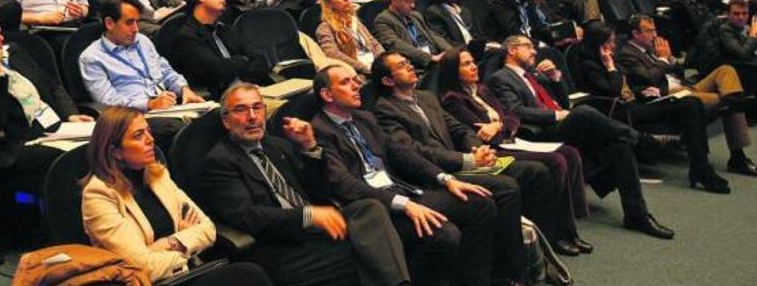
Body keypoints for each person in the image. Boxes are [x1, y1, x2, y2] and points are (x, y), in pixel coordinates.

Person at [310, 65, 520, 286]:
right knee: (443, 235)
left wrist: (446, 179)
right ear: (327, 94)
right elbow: (344, 184)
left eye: (355, 80)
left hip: (402, 189)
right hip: (374, 210)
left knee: (480, 204)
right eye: (346, 82)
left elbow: (401, 153)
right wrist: (404, 204)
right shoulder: (319, 131)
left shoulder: (364, 119)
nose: (357, 86)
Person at [198, 83, 410, 286]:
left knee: (370, 208)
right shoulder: (219, 161)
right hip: (280, 244)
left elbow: (318, 190)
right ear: (226, 120)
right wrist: (307, 215)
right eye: (241, 110)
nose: (252, 117)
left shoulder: (277, 145)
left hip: (316, 228)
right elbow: (247, 217)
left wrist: (310, 148)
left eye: (257, 107)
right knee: (370, 252)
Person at [0, 8, 91, 264]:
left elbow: (51, 84)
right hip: (14, 144)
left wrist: (70, 115)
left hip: (53, 128)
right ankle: (71, 242)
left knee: (107, 139)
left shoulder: (16, 52)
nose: (0, 39)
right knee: (77, 159)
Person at [486, 35, 674, 239]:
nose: (534, 51)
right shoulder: (501, 78)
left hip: (560, 125)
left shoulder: (533, 75)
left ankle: (637, 215)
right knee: (584, 112)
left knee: (619, 147)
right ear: (512, 50)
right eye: (528, 47)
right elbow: (516, 111)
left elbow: (564, 103)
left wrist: (556, 79)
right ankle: (644, 141)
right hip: (540, 134)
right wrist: (556, 115)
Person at [82, 106, 270, 285]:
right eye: (138, 136)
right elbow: (141, 267)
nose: (150, 140)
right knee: (249, 276)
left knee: (251, 272)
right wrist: (183, 243)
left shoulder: (156, 173)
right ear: (115, 151)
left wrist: (167, 243)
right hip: (152, 282)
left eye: (148, 131)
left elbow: (208, 229)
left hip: (183, 273)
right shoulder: (99, 195)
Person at [438, 46, 591, 255]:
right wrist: (501, 126)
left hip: (511, 140)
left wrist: (499, 125)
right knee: (556, 161)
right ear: (452, 71)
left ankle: (569, 230)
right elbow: (480, 132)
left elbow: (512, 117)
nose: (474, 66)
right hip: (494, 150)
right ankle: (554, 235)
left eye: (473, 62)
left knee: (570, 153)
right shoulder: (452, 99)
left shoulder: (482, 90)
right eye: (465, 64)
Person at [577, 22, 729, 193]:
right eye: (609, 42)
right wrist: (611, 68)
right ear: (598, 44)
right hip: (624, 111)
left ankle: (700, 165)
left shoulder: (609, 58)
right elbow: (612, 91)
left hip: (638, 103)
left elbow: (629, 84)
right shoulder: (590, 65)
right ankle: (701, 169)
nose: (613, 46)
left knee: (692, 103)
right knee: (689, 107)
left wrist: (644, 91)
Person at [617, 14, 757, 177]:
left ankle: (734, 101)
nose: (654, 35)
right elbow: (649, 78)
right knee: (727, 102)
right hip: (667, 96)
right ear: (635, 33)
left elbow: (680, 72)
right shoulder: (626, 54)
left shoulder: (652, 48)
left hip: (684, 87)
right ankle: (738, 156)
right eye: (649, 31)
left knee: (726, 70)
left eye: (654, 30)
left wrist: (671, 59)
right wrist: (663, 60)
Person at [79, 0, 206, 151]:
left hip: (168, 107)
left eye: (137, 22)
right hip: (135, 117)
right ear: (110, 23)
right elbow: (107, 101)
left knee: (213, 116)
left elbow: (165, 70)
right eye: (129, 22)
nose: (136, 29)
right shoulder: (92, 57)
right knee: (183, 131)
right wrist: (148, 104)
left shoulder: (142, 40)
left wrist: (184, 89)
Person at [169, 0, 271, 98]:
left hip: (255, 90)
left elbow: (261, 61)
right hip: (224, 99)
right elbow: (217, 70)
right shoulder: (186, 37)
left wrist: (243, 76)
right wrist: (243, 60)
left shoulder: (228, 30)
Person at [373, 0, 451, 70]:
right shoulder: (383, 20)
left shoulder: (415, 15)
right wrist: (430, 58)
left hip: (434, 59)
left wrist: (450, 51)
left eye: (414, 1)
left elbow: (432, 35)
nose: (413, 5)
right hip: (413, 65)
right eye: (408, 1)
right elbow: (396, 46)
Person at [315, 0, 384, 76]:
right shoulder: (325, 28)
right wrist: (364, 68)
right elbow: (332, 54)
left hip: (375, 65)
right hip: (356, 72)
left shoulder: (355, 21)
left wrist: (382, 62)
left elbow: (374, 44)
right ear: (329, 4)